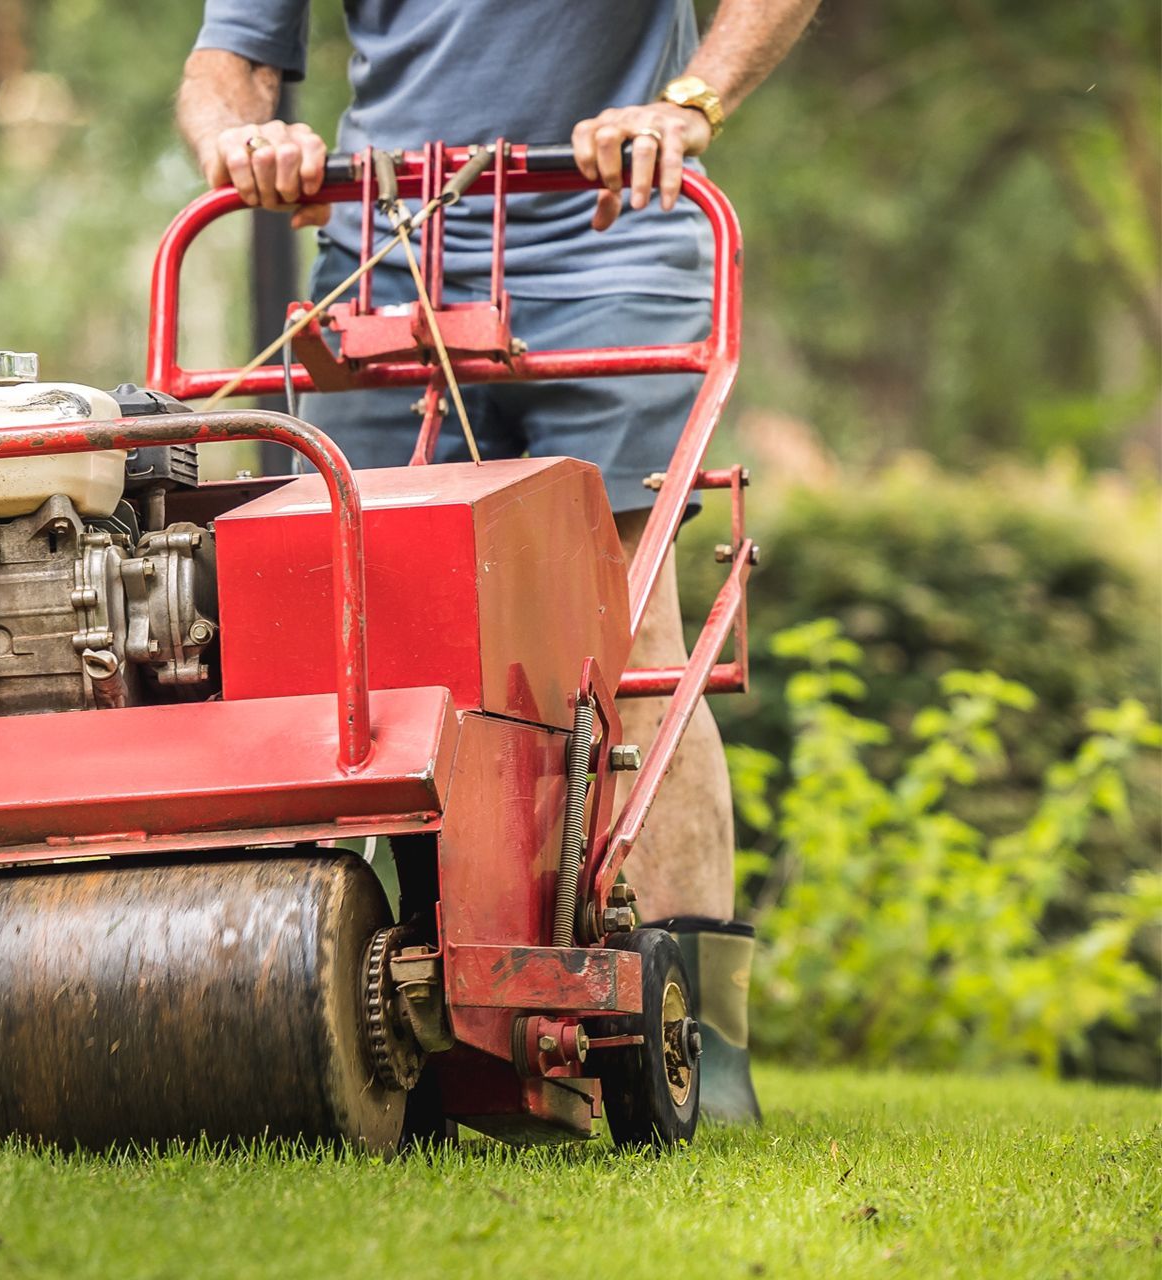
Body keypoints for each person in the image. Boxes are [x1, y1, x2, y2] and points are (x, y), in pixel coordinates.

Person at [177, 0, 820, 1125]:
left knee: (629, 648)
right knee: (355, 663)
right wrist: (243, 139)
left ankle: (696, 1042)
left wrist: (688, 102)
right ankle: (384, 1013)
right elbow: (226, 67)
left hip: (607, 240)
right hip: (381, 263)